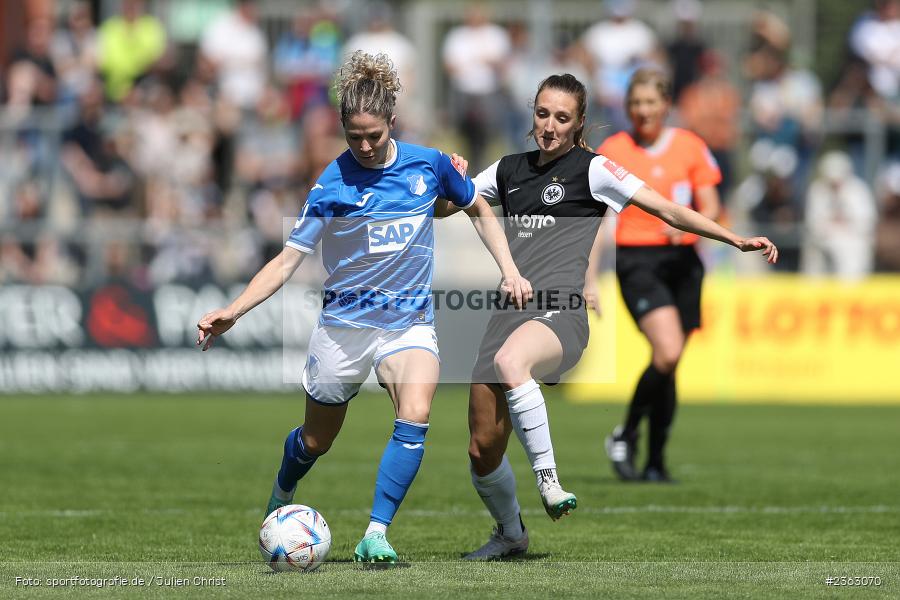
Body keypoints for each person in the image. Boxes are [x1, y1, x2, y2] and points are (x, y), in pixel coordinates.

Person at [196, 52, 529, 564]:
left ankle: (376, 532)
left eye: (374, 134)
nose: (366, 146)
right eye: (355, 137)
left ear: (392, 121)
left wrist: (507, 267)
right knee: (315, 440)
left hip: (408, 324)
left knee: (415, 414)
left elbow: (477, 206)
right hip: (344, 327)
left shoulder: (430, 164)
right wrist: (234, 310)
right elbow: (287, 261)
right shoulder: (332, 184)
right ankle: (283, 492)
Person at [437, 72, 777, 559]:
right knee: (481, 447)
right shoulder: (508, 169)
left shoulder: (593, 170)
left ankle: (550, 483)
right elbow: (445, 208)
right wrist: (449, 179)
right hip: (506, 313)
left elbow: (667, 209)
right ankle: (510, 534)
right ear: (531, 113)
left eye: (561, 118)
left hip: (562, 312)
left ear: (578, 126)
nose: (549, 126)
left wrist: (733, 238)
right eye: (542, 114)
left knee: (514, 363)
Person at [597, 67, 723, 483]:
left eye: (650, 102)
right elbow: (597, 218)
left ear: (666, 105)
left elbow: (711, 203)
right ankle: (627, 432)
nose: (642, 110)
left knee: (669, 364)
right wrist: (584, 275)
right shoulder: (614, 148)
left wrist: (689, 224)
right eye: (635, 103)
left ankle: (655, 462)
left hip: (684, 263)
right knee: (667, 351)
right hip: (638, 261)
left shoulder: (690, 146)